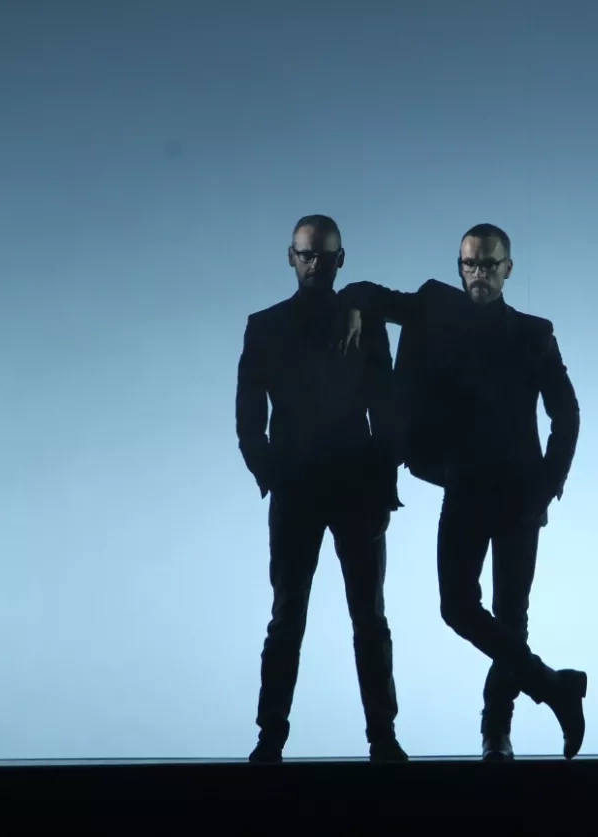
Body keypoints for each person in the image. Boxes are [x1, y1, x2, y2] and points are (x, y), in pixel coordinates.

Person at [337, 223, 586, 760]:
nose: (479, 273)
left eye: (489, 264)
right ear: (460, 267)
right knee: (456, 607)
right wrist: (355, 308)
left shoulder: (534, 334)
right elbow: (367, 292)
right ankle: (554, 687)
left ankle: (496, 733)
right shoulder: (435, 306)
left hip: (519, 496)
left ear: (508, 270)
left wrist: (547, 487)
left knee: (511, 616)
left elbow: (566, 413)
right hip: (464, 488)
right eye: (470, 264)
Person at [235, 214, 407, 764]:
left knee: (369, 618)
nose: (314, 264)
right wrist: (271, 477)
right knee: (288, 617)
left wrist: (384, 485)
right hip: (297, 489)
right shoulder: (264, 326)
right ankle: (270, 738)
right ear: (291, 257)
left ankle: (383, 737)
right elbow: (247, 419)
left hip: (356, 487)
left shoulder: (365, 322)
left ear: (340, 260)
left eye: (324, 255)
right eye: (306, 254)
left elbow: (386, 408)